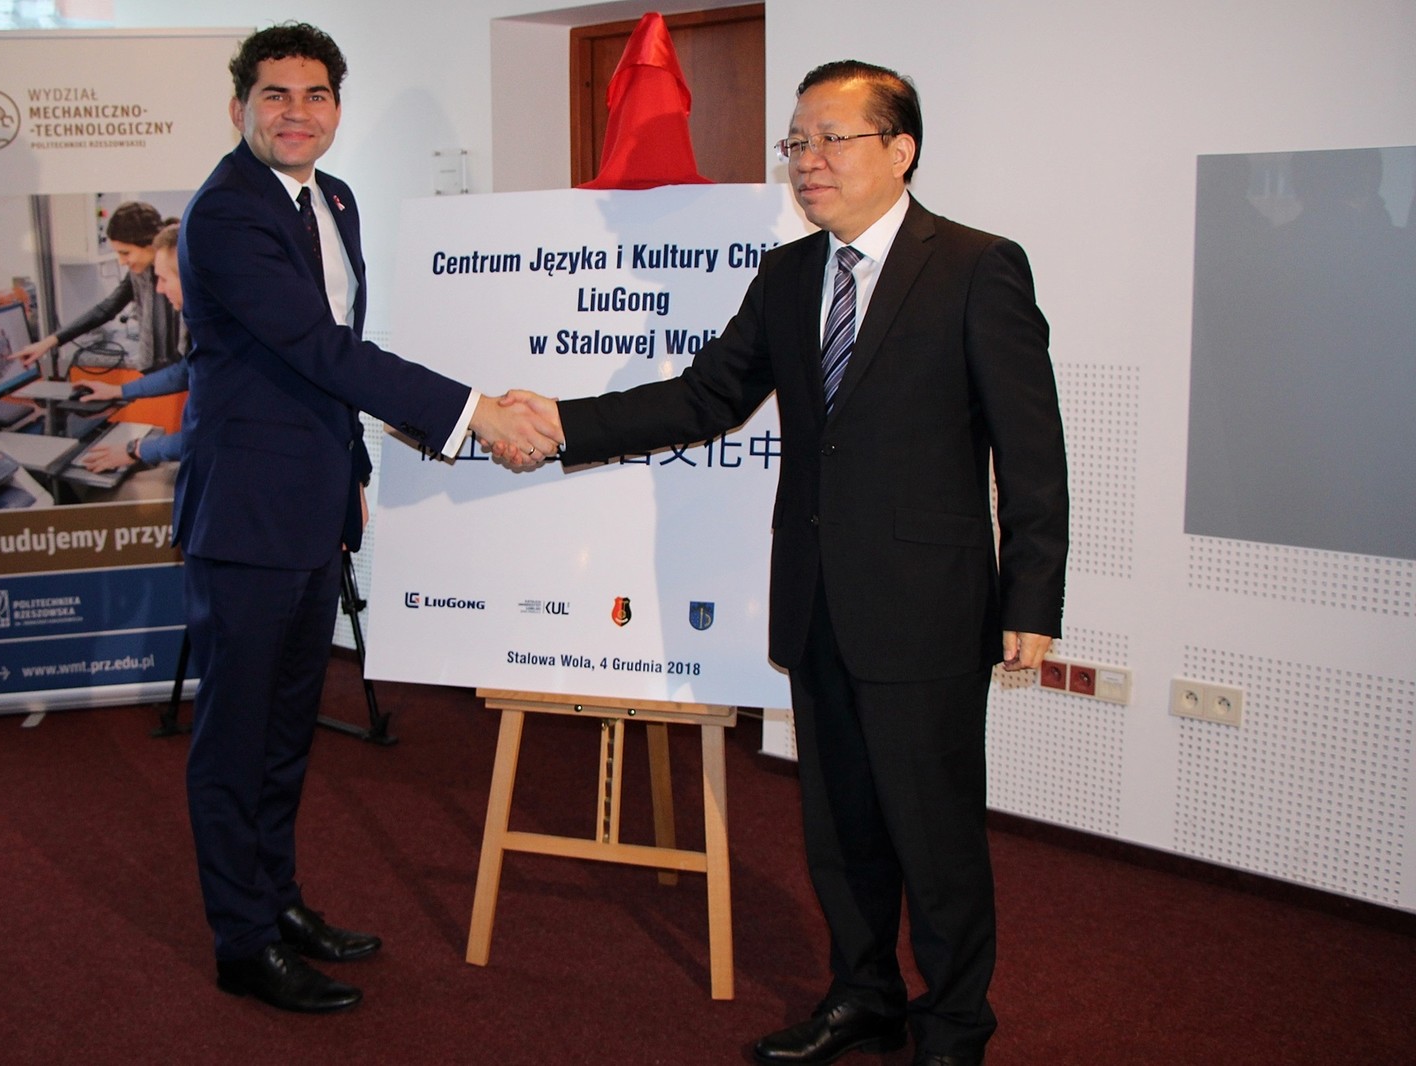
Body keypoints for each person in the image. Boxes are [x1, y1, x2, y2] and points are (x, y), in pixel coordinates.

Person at [506, 61, 1067, 1066]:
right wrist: (563, 423)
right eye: (796, 142)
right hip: (815, 599)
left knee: (933, 835)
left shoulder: (977, 267)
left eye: (830, 139)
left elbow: (1032, 452)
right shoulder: (789, 275)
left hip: (926, 609)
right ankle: (863, 994)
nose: (807, 161)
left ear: (900, 150)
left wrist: (1033, 593)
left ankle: (953, 1026)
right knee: (840, 826)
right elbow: (704, 397)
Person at [174, 22, 558, 1016]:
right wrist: (475, 414)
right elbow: (321, 350)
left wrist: (347, 468)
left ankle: (276, 899)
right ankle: (241, 941)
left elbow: (329, 362)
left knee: (286, 729)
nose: (296, 112)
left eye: (315, 95)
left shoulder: (331, 198)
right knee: (236, 738)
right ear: (239, 107)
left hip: (311, 504)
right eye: (274, 95)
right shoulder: (226, 214)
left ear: (336, 109)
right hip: (247, 514)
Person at [11, 201, 182, 373]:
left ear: (150, 243)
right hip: (160, 373)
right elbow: (107, 308)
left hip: (179, 374)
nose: (121, 262)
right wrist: (50, 342)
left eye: (125, 253)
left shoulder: (180, 273)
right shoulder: (140, 273)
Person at [77, 222, 187, 472]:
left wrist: (135, 449)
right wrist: (118, 391)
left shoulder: (225, 342)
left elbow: (207, 439)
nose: (158, 289)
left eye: (164, 279)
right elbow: (185, 373)